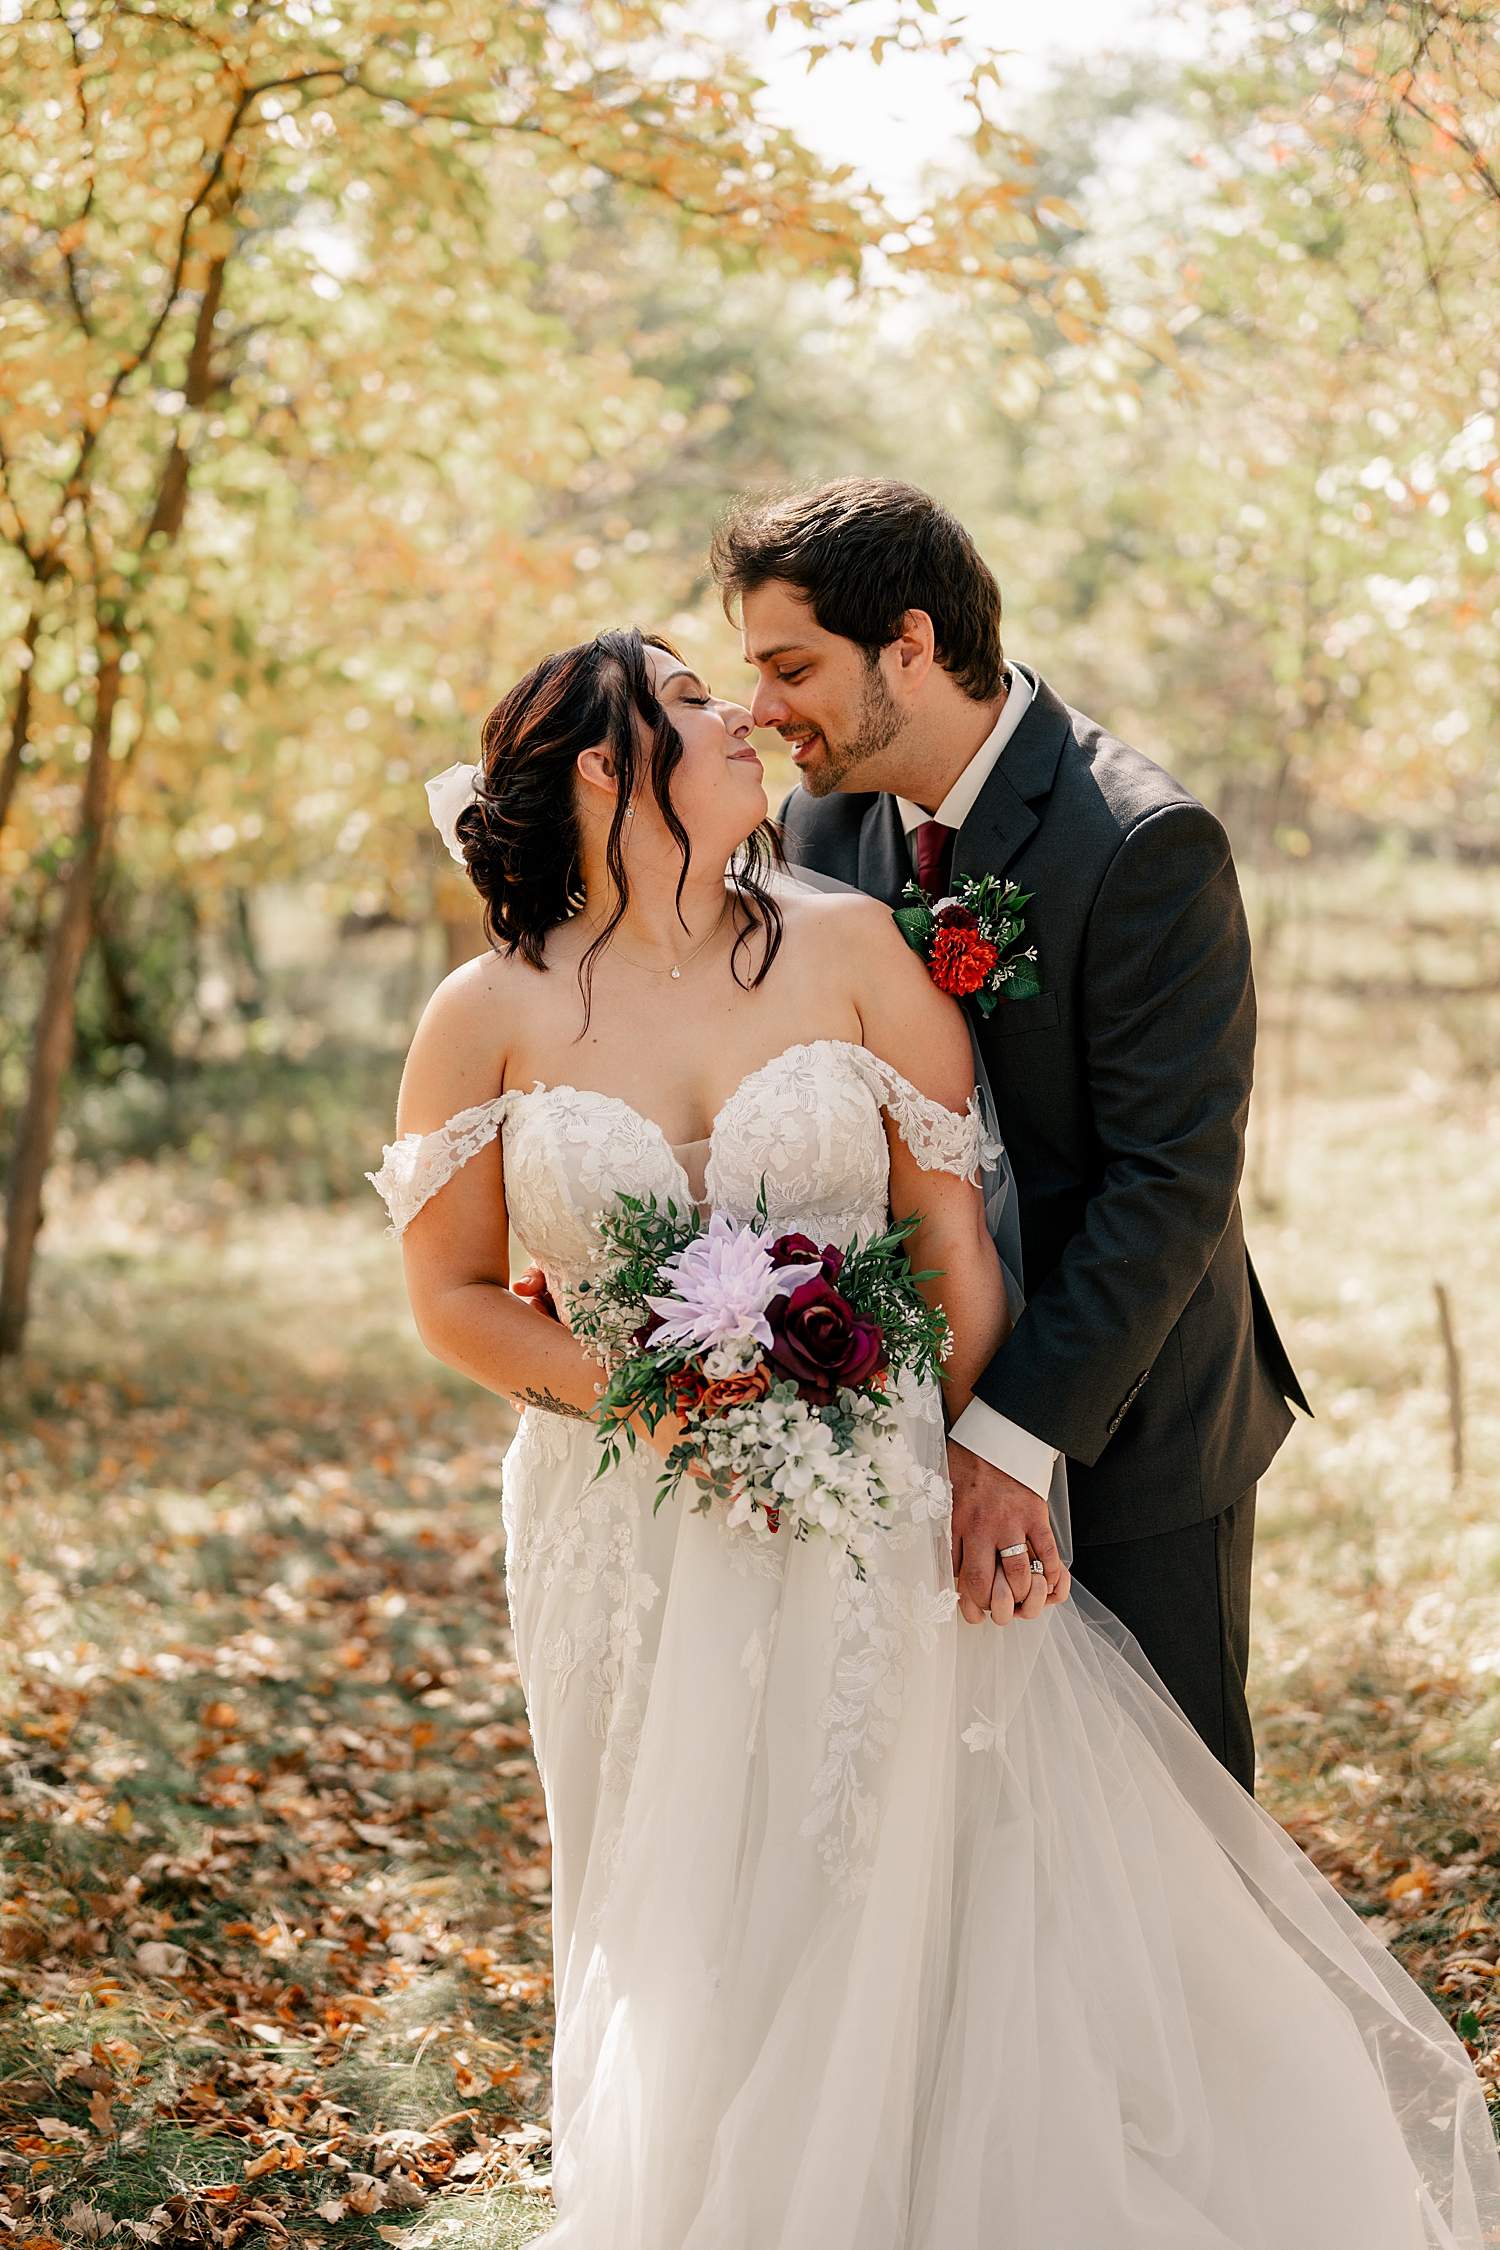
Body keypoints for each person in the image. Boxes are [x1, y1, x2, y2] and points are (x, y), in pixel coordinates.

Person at [371, 627, 1497, 2246]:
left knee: (895, 1861)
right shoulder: (485, 1012)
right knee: (686, 1887)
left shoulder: (848, 948)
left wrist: (973, 1467)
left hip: (872, 1489)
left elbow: (957, 1249)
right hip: (629, 1516)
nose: (741, 712)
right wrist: (656, 1402)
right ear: (605, 768)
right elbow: (457, 1299)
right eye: (692, 701)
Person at [712, 476, 1308, 1792]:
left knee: (1174, 1824)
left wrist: (1009, 1434)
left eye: (790, 665)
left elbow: (1171, 1184)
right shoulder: (822, 824)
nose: (760, 709)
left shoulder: (1142, 841)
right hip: (903, 1430)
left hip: (1133, 1418)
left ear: (909, 646)